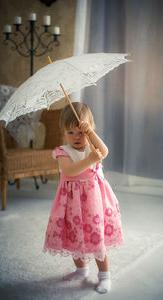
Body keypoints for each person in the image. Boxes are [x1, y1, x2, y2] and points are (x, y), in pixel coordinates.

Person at [43, 102, 123, 294]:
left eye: (81, 132)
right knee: (73, 236)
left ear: (89, 130)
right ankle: (81, 269)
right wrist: (90, 161)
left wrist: (92, 135)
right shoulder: (62, 152)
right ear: (64, 132)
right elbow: (70, 171)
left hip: (94, 203)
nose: (76, 137)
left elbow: (104, 151)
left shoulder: (92, 148)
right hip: (72, 204)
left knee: (97, 238)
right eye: (70, 133)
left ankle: (104, 276)